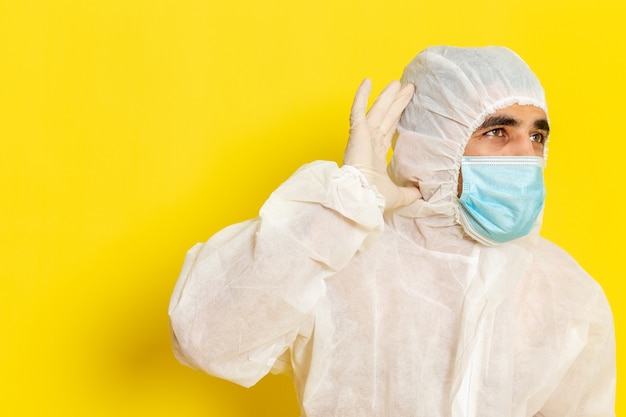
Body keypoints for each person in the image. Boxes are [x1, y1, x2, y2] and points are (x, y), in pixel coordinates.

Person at [168, 46, 616, 417]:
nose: (525, 156)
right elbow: (206, 338)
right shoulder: (340, 257)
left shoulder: (566, 293)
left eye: (537, 137)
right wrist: (344, 206)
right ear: (436, 142)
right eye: (498, 132)